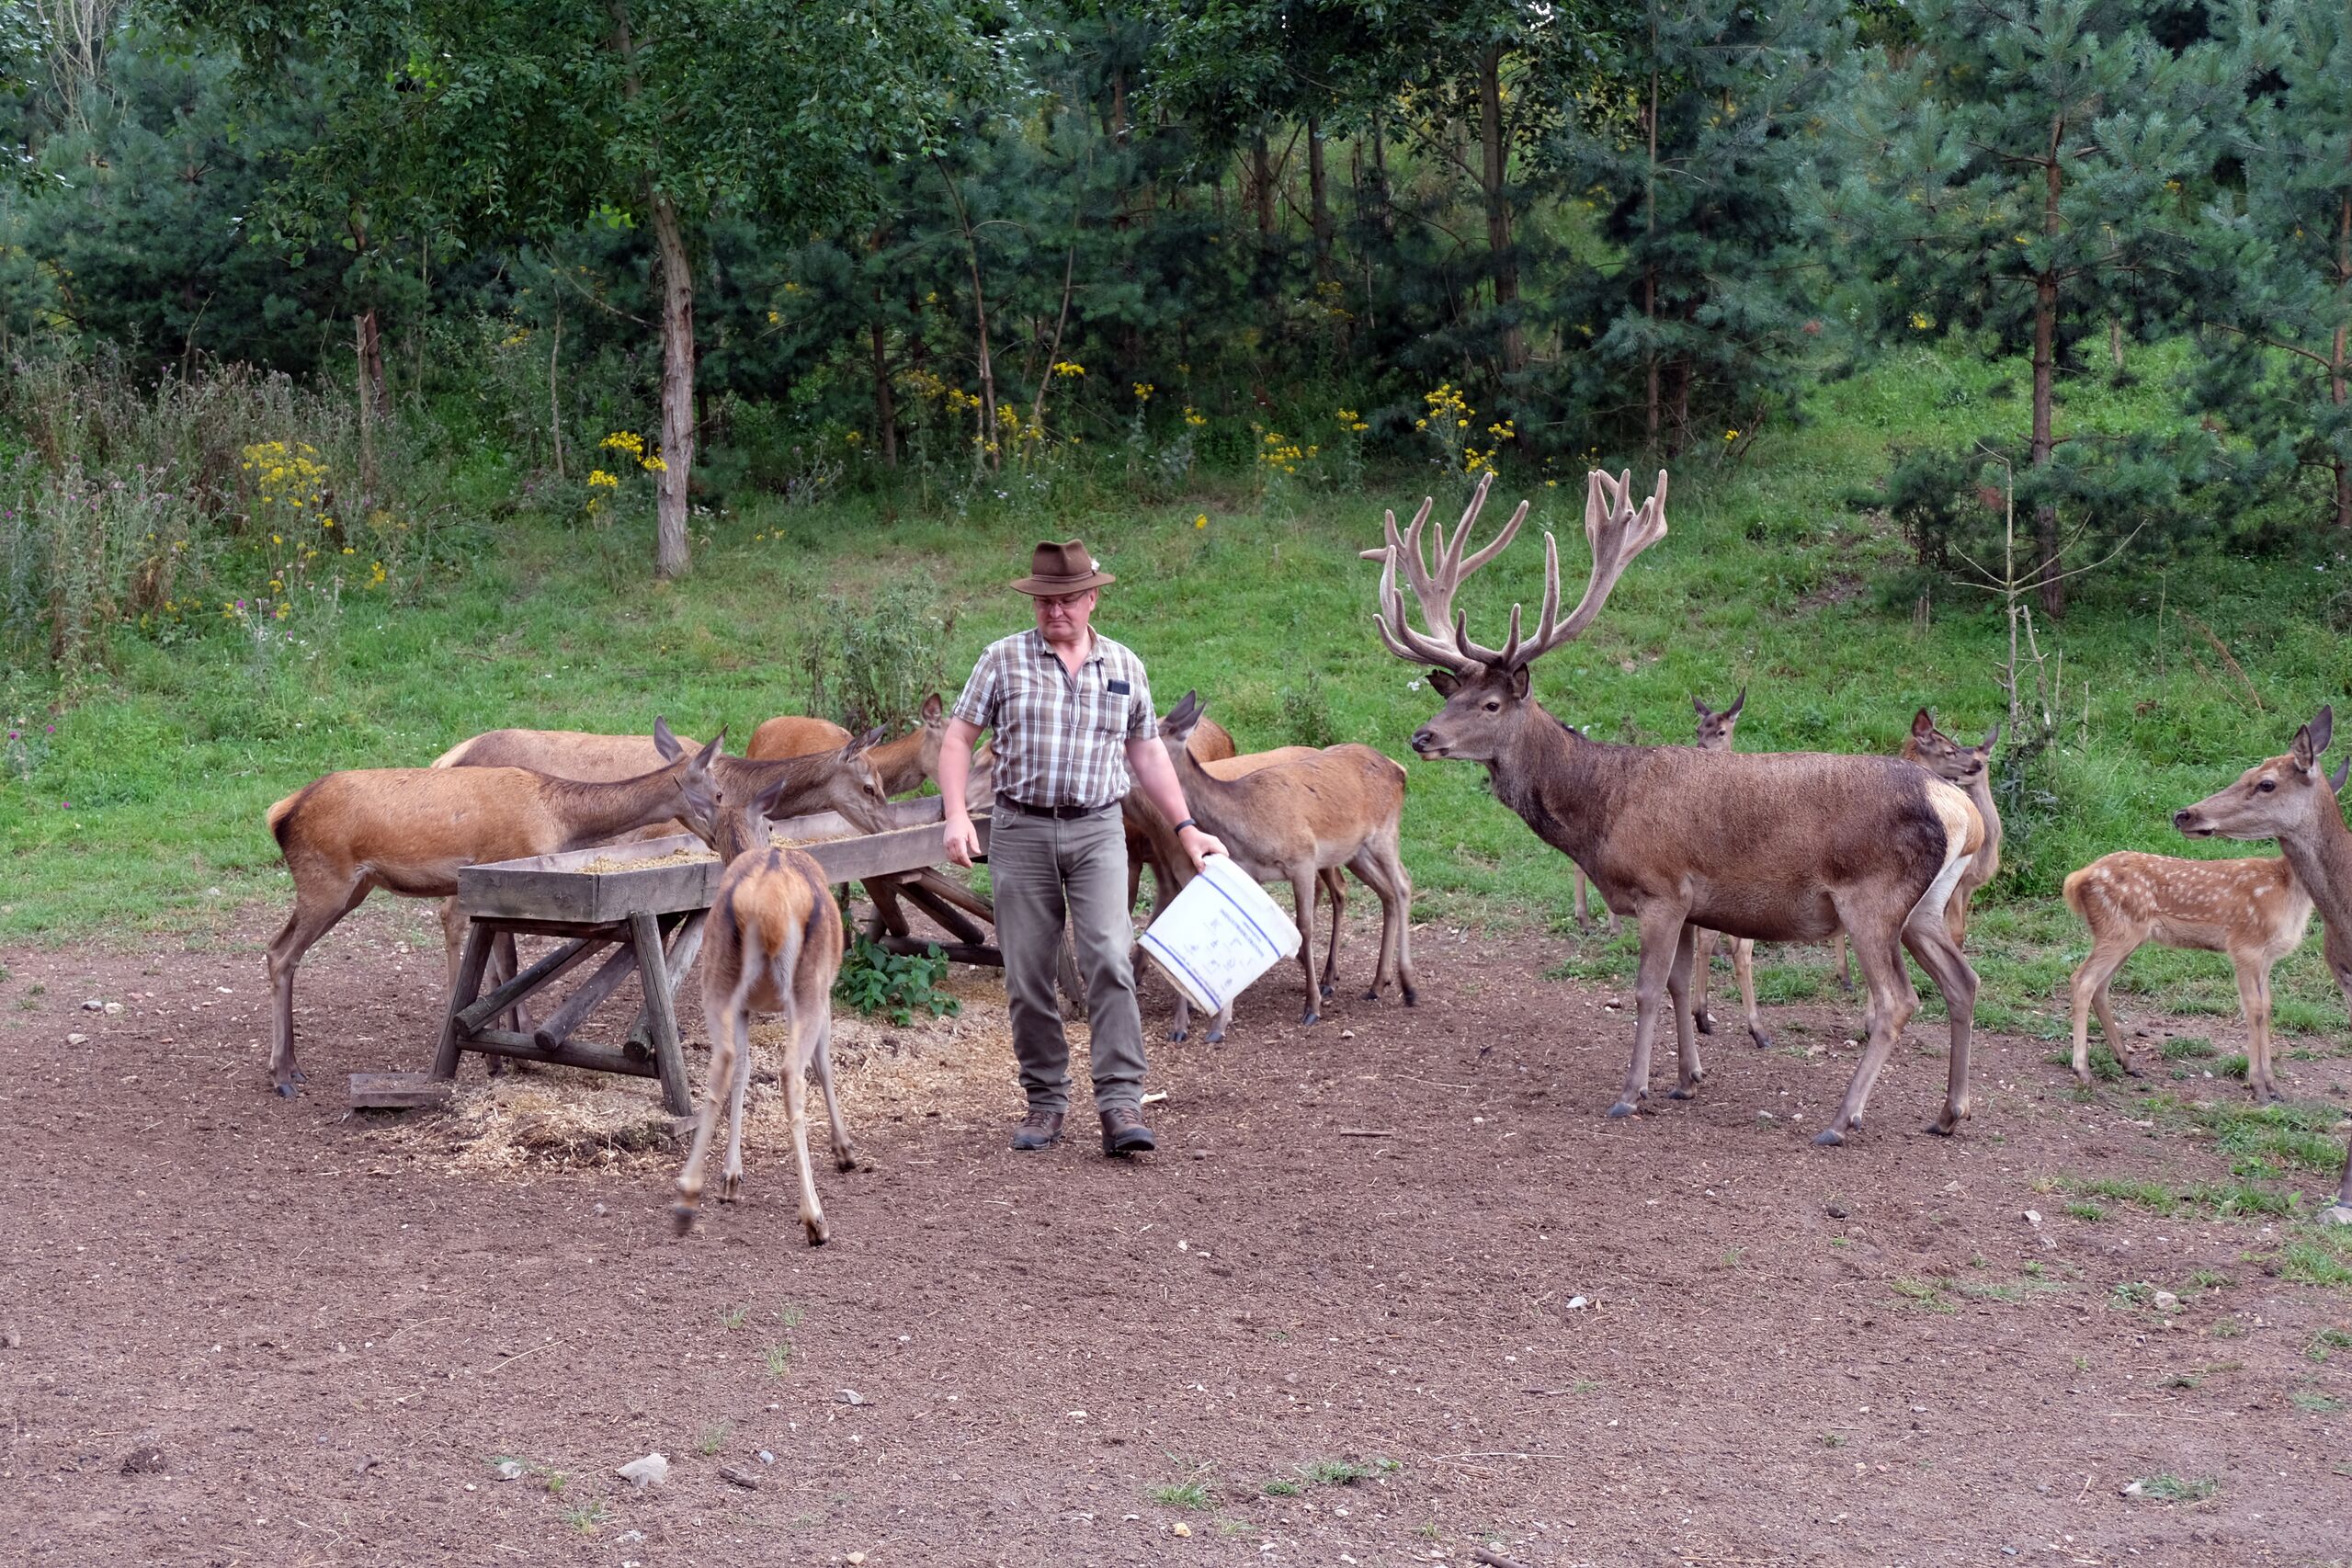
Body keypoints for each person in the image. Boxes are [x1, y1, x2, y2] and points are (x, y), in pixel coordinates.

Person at [938, 540, 1225, 1156]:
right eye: (1044, 601)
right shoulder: (1002, 660)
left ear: (1092, 598)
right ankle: (1045, 1101)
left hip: (1098, 829)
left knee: (1109, 959)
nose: (1055, 611)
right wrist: (957, 814)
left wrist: (1185, 827)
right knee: (1027, 974)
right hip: (1021, 830)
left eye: (1068, 600)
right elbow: (958, 739)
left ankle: (1120, 1103)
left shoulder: (1124, 665)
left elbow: (1146, 752)